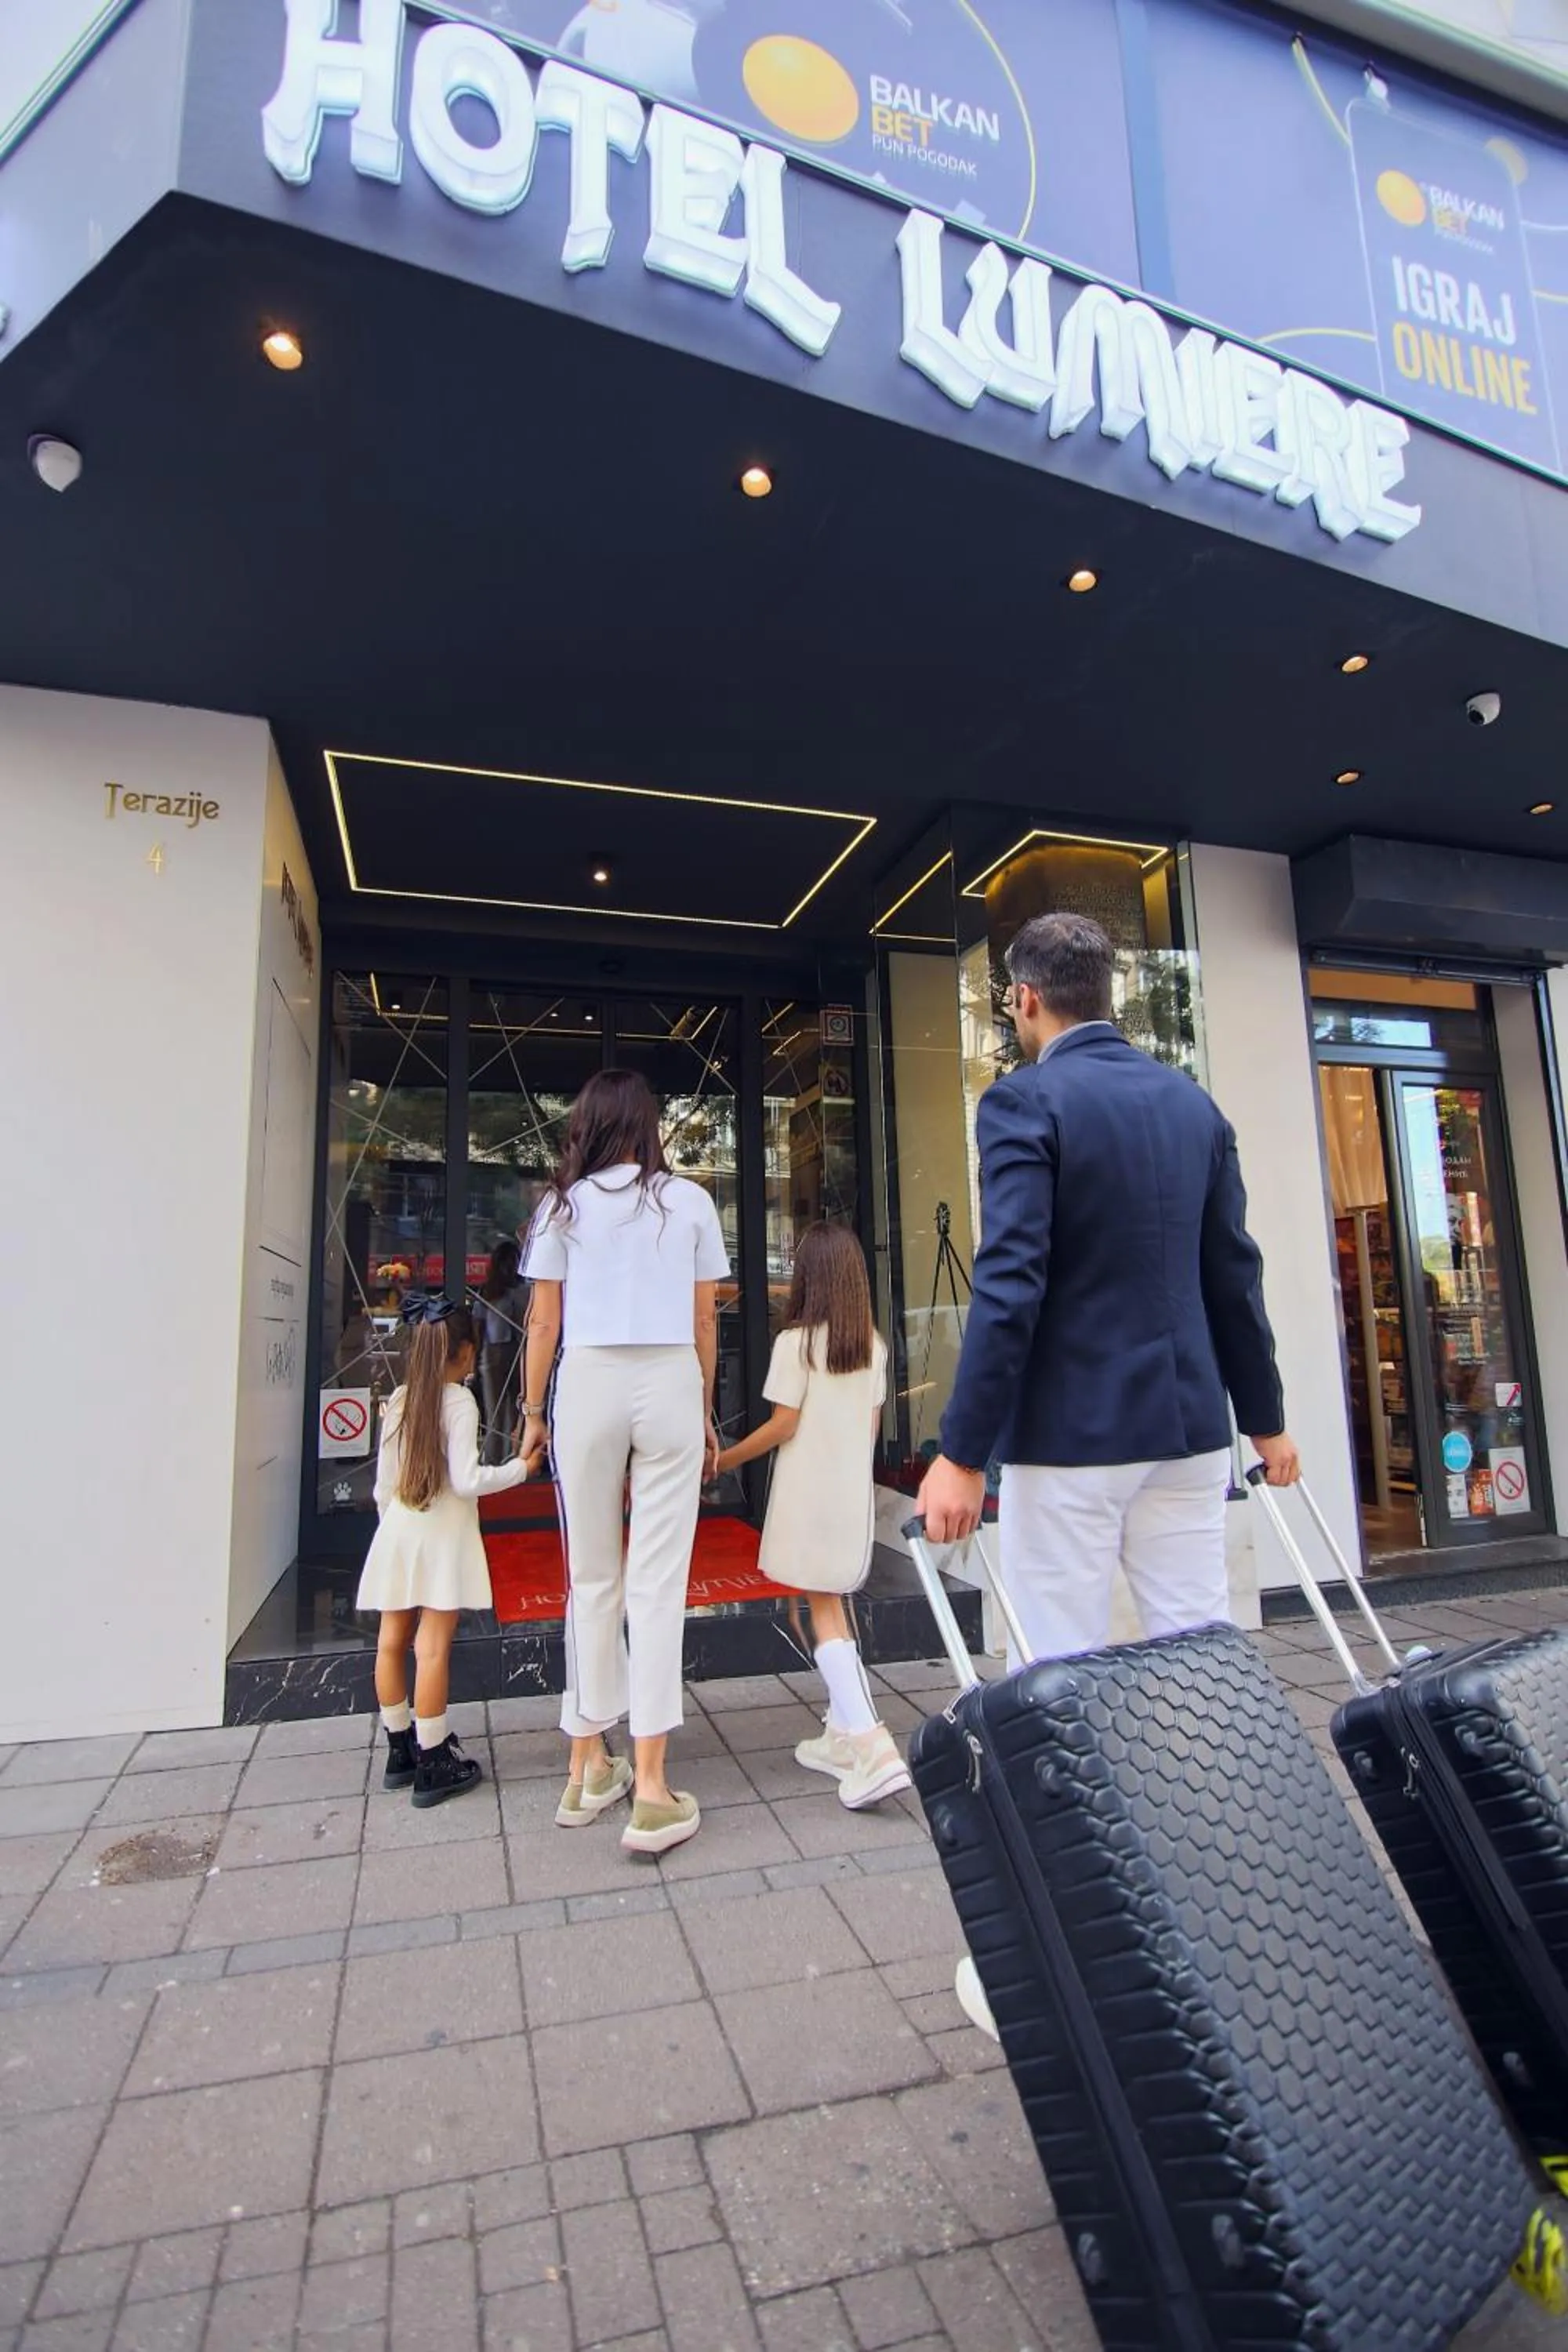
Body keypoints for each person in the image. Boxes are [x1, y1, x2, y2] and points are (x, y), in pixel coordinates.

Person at [917, 913, 1300, 2042]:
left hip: (1073, 1447)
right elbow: (1235, 1277)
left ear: (1026, 1000)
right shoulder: (1192, 1105)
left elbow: (1012, 1281)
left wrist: (960, 1451)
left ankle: (1068, 1950)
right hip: (1190, 1439)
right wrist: (1269, 1422)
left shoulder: (1025, 1102)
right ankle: (1225, 1918)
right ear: (1108, 993)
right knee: (1197, 1671)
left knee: (1057, 1686)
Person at [521, 1069, 728, 1858]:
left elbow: (543, 1322)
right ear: (648, 1127)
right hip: (669, 1378)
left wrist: (533, 1414)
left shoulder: (560, 1207)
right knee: (657, 1582)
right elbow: (704, 1317)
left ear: (585, 1125)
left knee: (591, 1580)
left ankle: (585, 1766)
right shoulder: (689, 1202)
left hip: (589, 1382)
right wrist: (705, 1409)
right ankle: (649, 1787)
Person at [716, 1222, 911, 1812]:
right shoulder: (873, 1347)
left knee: (822, 1611)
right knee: (834, 1606)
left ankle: (873, 1748)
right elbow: (869, 1431)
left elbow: (783, 1426)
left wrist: (722, 1460)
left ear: (809, 1277)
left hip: (808, 1497)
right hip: (850, 1499)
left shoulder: (795, 1344)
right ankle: (838, 1732)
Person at [358, 1296, 530, 1808]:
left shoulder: (399, 1399)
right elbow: (467, 1479)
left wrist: (393, 1530)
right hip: (441, 1536)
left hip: (399, 1530)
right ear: (466, 1352)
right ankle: (434, 1759)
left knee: (391, 1641)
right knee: (431, 1647)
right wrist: (521, 1468)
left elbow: (383, 1486)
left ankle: (399, 1750)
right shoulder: (459, 1402)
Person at [477, 1239, 528, 1464]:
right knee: (497, 1412)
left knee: (512, 1412)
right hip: (498, 1354)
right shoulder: (490, 1291)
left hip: (512, 1353)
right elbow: (477, 1328)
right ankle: (495, 1460)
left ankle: (510, 1458)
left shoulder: (517, 1290)